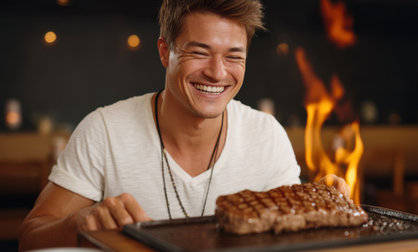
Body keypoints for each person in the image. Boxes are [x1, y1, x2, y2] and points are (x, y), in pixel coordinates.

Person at [18, 0, 349, 250]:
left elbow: (293, 237)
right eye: (199, 52)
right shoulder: (104, 130)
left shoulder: (267, 135)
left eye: (234, 56)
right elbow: (30, 237)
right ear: (165, 52)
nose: (217, 73)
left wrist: (321, 206)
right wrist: (81, 222)